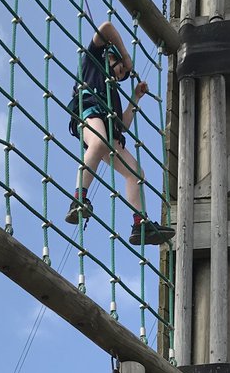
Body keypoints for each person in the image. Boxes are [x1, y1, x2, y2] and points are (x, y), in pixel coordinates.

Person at [66, 21, 174, 246]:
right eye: (120, 68)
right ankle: (78, 199)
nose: (120, 72)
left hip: (109, 131)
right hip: (89, 114)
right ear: (109, 56)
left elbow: (122, 125)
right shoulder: (93, 61)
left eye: (123, 73)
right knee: (98, 142)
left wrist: (135, 98)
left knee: (136, 172)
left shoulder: (112, 92)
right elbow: (106, 27)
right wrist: (125, 55)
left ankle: (139, 224)